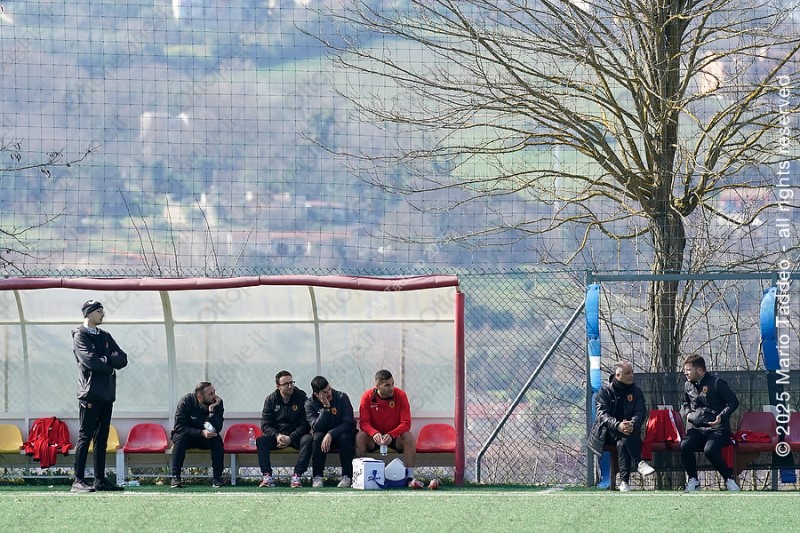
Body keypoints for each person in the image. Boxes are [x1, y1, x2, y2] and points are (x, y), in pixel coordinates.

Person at [71, 300, 129, 493]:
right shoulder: (80, 335)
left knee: (102, 438)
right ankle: (78, 480)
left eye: (102, 310)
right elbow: (90, 361)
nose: (103, 314)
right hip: (89, 394)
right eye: (98, 311)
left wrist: (105, 359)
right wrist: (109, 365)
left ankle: (99, 480)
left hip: (107, 394)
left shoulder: (105, 336)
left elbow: (123, 359)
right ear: (88, 314)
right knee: (85, 436)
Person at [588, 360, 655, 492]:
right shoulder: (605, 391)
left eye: (632, 372)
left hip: (629, 432)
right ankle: (640, 462)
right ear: (618, 376)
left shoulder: (636, 392)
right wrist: (618, 425)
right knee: (624, 436)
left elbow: (640, 412)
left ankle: (624, 483)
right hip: (607, 433)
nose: (631, 376)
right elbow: (602, 415)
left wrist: (632, 424)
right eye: (627, 373)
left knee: (623, 442)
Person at [681, 354, 740, 491]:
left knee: (710, 450)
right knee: (685, 445)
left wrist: (721, 416)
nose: (685, 373)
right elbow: (685, 402)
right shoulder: (687, 385)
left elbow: (733, 402)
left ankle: (729, 479)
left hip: (717, 429)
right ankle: (693, 480)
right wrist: (688, 413)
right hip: (696, 429)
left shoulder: (716, 383)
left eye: (688, 370)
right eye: (685, 370)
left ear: (699, 370)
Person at [356, 369, 423, 489]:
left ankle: (410, 477)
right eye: (387, 385)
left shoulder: (401, 395)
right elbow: (364, 423)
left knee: (408, 436)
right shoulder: (367, 397)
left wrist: (391, 435)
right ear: (377, 386)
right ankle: (363, 475)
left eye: (392, 384)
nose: (391, 388)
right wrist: (374, 433)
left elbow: (406, 423)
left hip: (394, 438)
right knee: (360, 436)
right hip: (374, 439)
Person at [256, 370, 312, 488]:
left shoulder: (301, 398)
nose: (290, 386)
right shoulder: (271, 399)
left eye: (292, 382)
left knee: (308, 439)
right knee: (261, 441)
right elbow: (265, 424)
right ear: (278, 386)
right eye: (286, 384)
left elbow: (305, 424)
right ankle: (267, 476)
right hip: (278, 437)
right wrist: (277, 435)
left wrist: (291, 438)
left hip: (296, 436)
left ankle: (297, 476)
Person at [171, 382, 225, 488]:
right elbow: (179, 427)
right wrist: (200, 432)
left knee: (217, 440)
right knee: (180, 438)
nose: (214, 396)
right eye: (210, 394)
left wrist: (211, 411)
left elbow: (217, 428)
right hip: (188, 436)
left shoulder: (217, 403)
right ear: (200, 396)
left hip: (205, 438)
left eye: (214, 392)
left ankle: (217, 478)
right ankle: (176, 477)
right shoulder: (186, 401)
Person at [305, 376, 356, 488]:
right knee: (317, 437)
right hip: (323, 438)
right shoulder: (310, 404)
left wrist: (331, 434)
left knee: (345, 437)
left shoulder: (341, 397)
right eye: (324, 392)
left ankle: (347, 476)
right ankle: (317, 477)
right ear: (316, 394)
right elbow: (316, 427)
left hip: (341, 434)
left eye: (329, 389)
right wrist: (326, 408)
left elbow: (348, 422)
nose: (329, 393)